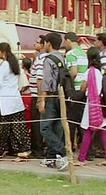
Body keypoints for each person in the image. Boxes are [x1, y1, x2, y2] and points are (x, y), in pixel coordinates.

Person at [75, 47, 106, 167]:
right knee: (104, 131)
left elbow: (83, 88)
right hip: (101, 103)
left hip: (92, 105)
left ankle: (82, 159)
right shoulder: (99, 71)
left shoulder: (90, 72)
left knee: (87, 130)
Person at [0, 42, 31, 158]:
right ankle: (22, 148)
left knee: (2, 127)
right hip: (15, 98)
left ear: (2, 52)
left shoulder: (2, 66)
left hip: (4, 99)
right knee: (18, 126)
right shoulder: (15, 64)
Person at [38, 32, 68, 170]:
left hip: (50, 96)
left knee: (45, 128)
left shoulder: (48, 59)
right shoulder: (63, 58)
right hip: (60, 96)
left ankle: (62, 153)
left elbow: (47, 81)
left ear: (48, 43)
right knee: (57, 128)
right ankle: (51, 158)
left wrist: (42, 100)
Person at [64, 32, 87, 150]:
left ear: (68, 40)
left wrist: (68, 85)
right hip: (83, 89)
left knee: (71, 120)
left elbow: (73, 72)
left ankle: (71, 145)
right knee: (81, 120)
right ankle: (85, 147)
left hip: (75, 89)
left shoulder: (71, 54)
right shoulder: (83, 53)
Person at [29, 35, 47, 158]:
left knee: (37, 124)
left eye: (37, 42)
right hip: (38, 94)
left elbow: (40, 79)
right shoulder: (39, 58)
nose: (35, 44)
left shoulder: (41, 59)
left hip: (37, 95)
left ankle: (38, 150)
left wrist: (40, 98)